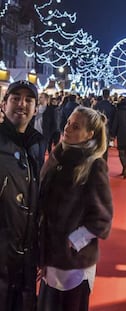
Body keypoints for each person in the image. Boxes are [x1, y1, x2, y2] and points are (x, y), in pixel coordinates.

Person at [37, 106, 113, 311]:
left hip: (73, 263)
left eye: (76, 126)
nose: (67, 128)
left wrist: (72, 241)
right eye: (68, 123)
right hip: (50, 255)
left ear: (90, 134)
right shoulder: (58, 155)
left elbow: (102, 219)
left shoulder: (93, 165)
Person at [0, 80, 42, 311]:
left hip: (27, 256)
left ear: (36, 108)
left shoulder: (37, 144)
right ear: (4, 104)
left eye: (28, 100)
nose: (21, 104)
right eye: (15, 98)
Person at [111, 95, 126, 178]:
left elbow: (115, 124)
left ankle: (124, 167)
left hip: (121, 134)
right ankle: (124, 168)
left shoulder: (118, 112)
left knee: (121, 153)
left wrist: (113, 134)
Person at [94, 88, 116, 161]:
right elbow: (113, 119)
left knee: (97, 145)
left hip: (98, 126)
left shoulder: (97, 105)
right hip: (107, 127)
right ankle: (104, 163)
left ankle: (98, 162)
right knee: (105, 146)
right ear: (109, 95)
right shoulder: (111, 106)